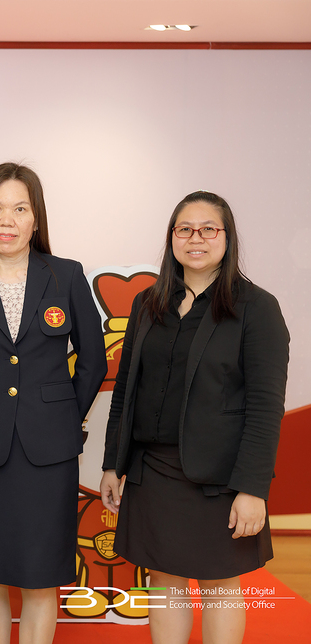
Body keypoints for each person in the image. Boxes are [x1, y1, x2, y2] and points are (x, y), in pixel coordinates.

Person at [99, 191, 288, 644]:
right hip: (152, 470)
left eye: (208, 229)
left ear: (227, 237)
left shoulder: (255, 307)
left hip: (219, 478)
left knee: (220, 583)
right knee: (164, 581)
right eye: (184, 229)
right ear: (172, 238)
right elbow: (125, 390)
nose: (195, 238)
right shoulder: (148, 302)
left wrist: (252, 489)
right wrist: (112, 464)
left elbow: (266, 406)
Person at [0, 163, 105, 644]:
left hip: (48, 455)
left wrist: (63, 415)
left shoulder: (66, 276)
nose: (6, 220)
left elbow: (93, 361)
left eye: (19, 209)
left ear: (36, 219)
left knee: (41, 576)